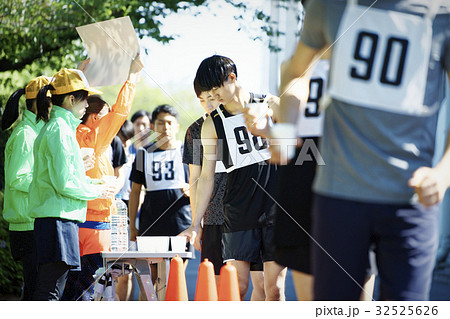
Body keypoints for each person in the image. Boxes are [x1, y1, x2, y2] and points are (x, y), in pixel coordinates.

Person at [276, 0, 450, 300]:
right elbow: (297, 72)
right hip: (338, 196)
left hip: (409, 199)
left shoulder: (443, 12)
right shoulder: (329, 5)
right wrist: (285, 127)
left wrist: (444, 173)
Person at [180, 55, 286, 301]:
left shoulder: (270, 103)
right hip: (238, 209)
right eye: (208, 94)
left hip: (275, 206)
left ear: (232, 78)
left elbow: (299, 143)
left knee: (274, 287)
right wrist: (195, 224)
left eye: (216, 91)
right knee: (236, 285)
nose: (214, 98)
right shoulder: (212, 124)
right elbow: (205, 177)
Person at [61, 55, 143, 301]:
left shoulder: (65, 130)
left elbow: (66, 105)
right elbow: (122, 109)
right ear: (96, 117)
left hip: (71, 221)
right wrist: (134, 75)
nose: (112, 122)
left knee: (72, 285)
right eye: (105, 116)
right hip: (96, 225)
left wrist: (78, 74)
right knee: (84, 288)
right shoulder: (96, 137)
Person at [29, 68, 107, 300]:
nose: (87, 106)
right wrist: (97, 189)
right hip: (58, 221)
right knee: (51, 292)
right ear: (72, 99)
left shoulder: (58, 129)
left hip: (57, 220)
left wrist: (92, 182)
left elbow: (65, 178)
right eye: (85, 100)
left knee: (51, 289)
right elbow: (64, 182)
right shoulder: (60, 131)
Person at [129, 104, 192, 287]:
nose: (166, 128)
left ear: (177, 126)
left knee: (174, 282)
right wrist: (132, 225)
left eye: (170, 123)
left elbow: (203, 182)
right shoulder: (142, 155)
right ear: (153, 127)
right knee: (149, 284)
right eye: (161, 123)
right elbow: (135, 192)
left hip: (181, 225)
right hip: (150, 225)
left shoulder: (188, 152)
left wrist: (191, 188)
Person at [1, 76, 51, 300]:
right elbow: (17, 178)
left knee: (34, 291)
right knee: (35, 293)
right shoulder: (25, 134)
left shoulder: (35, 131)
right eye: (53, 101)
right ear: (39, 103)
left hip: (31, 223)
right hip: (26, 226)